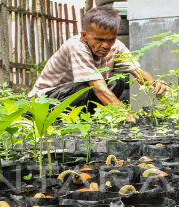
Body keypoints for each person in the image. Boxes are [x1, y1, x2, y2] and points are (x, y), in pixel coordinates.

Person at [27, 5, 169, 122]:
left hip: (76, 97)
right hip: (46, 101)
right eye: (99, 39)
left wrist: (154, 84)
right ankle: (61, 122)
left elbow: (138, 72)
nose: (106, 45)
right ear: (84, 36)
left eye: (110, 39)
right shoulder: (76, 46)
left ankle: (90, 120)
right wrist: (124, 114)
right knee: (86, 87)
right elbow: (98, 88)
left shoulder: (116, 46)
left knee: (116, 82)